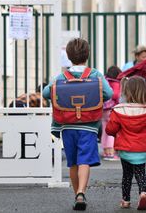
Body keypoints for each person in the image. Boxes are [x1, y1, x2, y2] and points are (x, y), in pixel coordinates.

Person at [43, 38, 113, 211]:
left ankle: (77, 195)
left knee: (73, 162)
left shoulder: (61, 76)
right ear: (87, 55)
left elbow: (46, 92)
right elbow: (109, 93)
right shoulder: (95, 74)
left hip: (67, 124)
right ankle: (81, 192)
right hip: (88, 124)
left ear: (68, 56)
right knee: (85, 161)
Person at [105, 76, 146, 210]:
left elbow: (110, 129)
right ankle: (143, 193)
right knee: (141, 174)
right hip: (140, 149)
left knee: (126, 175)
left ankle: (126, 200)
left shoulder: (119, 110)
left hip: (125, 149)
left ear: (126, 91)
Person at [101, 65, 122, 161]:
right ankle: (111, 152)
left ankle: (105, 151)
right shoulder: (116, 83)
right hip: (111, 109)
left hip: (102, 108)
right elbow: (116, 95)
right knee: (112, 130)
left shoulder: (104, 81)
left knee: (105, 130)